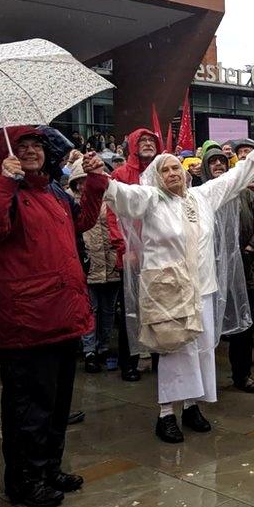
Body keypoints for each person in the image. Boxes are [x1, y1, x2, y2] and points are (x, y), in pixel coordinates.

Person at [0, 126, 109, 507]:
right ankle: (24, 480)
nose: (31, 151)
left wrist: (96, 181)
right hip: (29, 322)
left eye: (36, 145)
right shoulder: (4, 192)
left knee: (57, 404)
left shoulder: (51, 191)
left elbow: (81, 221)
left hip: (65, 315)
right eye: (21, 146)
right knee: (28, 410)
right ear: (6, 153)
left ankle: (48, 468)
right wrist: (4, 180)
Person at [104, 140, 254, 443]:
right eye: (164, 169)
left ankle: (192, 407)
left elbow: (231, 180)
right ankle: (166, 414)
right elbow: (125, 196)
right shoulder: (151, 199)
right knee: (174, 350)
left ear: (186, 172)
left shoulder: (200, 197)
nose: (172, 172)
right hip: (169, 294)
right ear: (156, 176)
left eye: (175, 167)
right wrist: (104, 180)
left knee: (201, 351)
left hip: (202, 290)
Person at [198, 144, 254, 393]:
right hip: (207, 271)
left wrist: (251, 248)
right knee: (206, 327)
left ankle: (242, 374)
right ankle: (203, 380)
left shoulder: (245, 194)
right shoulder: (198, 195)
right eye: (212, 162)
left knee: (242, 327)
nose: (218, 165)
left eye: (222, 161)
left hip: (241, 269)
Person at [108, 128, 163, 382]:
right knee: (130, 310)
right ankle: (128, 363)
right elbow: (112, 214)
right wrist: (125, 248)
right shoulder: (121, 174)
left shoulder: (163, 172)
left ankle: (158, 357)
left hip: (158, 254)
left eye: (152, 140)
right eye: (143, 141)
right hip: (131, 256)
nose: (149, 144)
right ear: (133, 145)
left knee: (158, 308)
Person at [67, 160, 123, 374]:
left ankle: (104, 346)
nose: (84, 186)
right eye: (79, 182)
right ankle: (90, 350)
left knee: (108, 310)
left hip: (111, 263)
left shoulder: (111, 199)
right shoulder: (71, 202)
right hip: (88, 264)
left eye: (87, 180)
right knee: (91, 309)